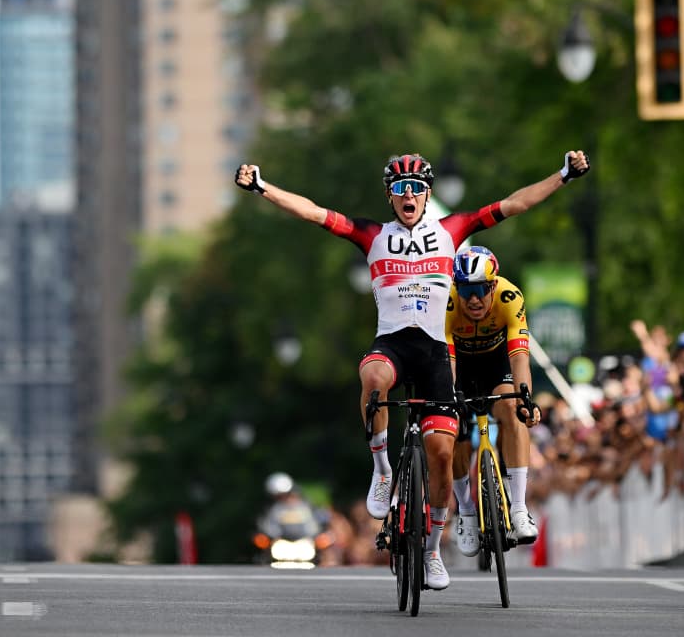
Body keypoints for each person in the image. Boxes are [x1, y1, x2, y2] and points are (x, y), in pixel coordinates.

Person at [235, 149, 591, 589]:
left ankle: (432, 550)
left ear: (427, 195)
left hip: (438, 352)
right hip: (393, 344)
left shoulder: (451, 230)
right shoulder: (372, 234)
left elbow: (514, 204)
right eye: (401, 189)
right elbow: (313, 212)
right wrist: (261, 186)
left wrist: (563, 175)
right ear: (390, 196)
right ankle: (383, 471)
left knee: (443, 455)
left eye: (417, 189)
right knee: (372, 377)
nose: (409, 196)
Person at [445, 246, 541, 557]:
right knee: (454, 426)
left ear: (493, 285)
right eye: (466, 290)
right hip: (458, 364)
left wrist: (526, 397)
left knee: (512, 411)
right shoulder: (446, 302)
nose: (473, 299)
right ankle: (467, 513)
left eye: (480, 290)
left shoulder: (509, 298)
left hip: (497, 364)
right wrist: (450, 400)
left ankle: (519, 509)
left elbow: (519, 355)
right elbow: (447, 362)